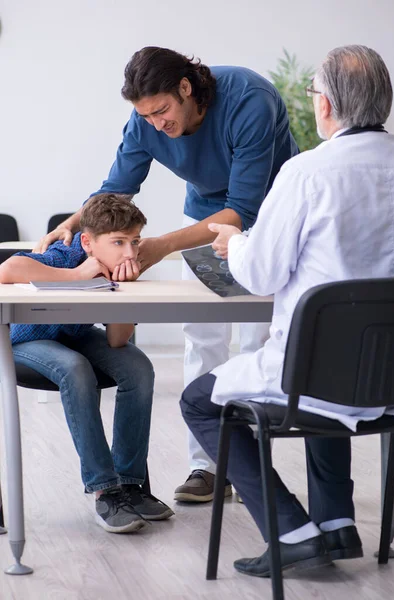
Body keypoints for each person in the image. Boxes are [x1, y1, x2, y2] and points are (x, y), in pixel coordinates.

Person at [34, 47, 298, 502]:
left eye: (162, 111)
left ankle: (254, 469)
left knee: (258, 339)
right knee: (203, 336)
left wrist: (157, 247)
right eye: (146, 116)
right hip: (204, 217)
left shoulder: (250, 97)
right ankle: (207, 467)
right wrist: (71, 224)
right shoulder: (144, 121)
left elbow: (242, 209)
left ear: (186, 88)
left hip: (269, 221)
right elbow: (116, 187)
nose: (157, 124)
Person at [180, 44, 394, 577]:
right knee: (331, 380)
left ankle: (292, 530)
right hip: (388, 377)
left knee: (200, 403)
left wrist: (234, 243)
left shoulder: (306, 173)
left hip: (311, 371)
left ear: (324, 106)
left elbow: (261, 276)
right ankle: (337, 524)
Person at [0, 193, 174, 533]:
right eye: (119, 242)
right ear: (88, 243)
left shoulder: (123, 267)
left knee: (138, 367)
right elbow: (8, 269)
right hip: (24, 339)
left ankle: (129, 485)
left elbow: (116, 341)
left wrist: (122, 290)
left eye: (135, 242)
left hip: (75, 335)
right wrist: (79, 277)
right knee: (75, 368)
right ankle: (104, 489)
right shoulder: (67, 255)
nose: (130, 252)